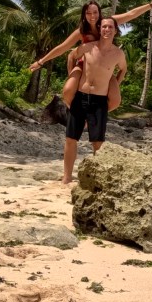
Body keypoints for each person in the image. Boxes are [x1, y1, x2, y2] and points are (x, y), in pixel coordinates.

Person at [29, 0, 152, 111]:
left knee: (115, 101)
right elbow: (62, 48)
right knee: (68, 91)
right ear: (84, 15)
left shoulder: (108, 23)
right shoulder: (81, 31)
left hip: (105, 67)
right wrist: (41, 62)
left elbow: (131, 14)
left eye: (95, 12)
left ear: (99, 13)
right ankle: (76, 112)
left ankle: (97, 114)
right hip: (84, 65)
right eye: (88, 13)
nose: (92, 16)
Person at [61, 16, 127, 185]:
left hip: (99, 101)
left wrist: (114, 84)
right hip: (81, 96)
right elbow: (71, 56)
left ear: (115, 30)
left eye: (110, 27)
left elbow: (123, 70)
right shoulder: (88, 47)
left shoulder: (118, 54)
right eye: (103, 27)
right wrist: (73, 75)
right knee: (71, 138)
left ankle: (98, 179)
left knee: (97, 142)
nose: (106, 30)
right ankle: (67, 177)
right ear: (100, 29)